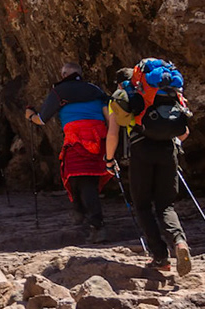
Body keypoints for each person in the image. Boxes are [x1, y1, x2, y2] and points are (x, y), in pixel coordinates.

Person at [118, 59, 193, 276]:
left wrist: (109, 158)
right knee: (166, 206)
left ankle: (160, 257)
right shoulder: (172, 95)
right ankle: (179, 242)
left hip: (141, 150)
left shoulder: (134, 94)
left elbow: (120, 123)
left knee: (142, 205)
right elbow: (183, 133)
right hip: (168, 151)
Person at [27, 63, 112, 242]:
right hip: (99, 138)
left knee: (79, 178)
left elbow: (42, 119)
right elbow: (108, 116)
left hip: (75, 139)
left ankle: (95, 224)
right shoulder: (95, 90)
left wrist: (29, 116)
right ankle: (81, 212)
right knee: (85, 178)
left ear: (64, 74)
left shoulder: (60, 91)